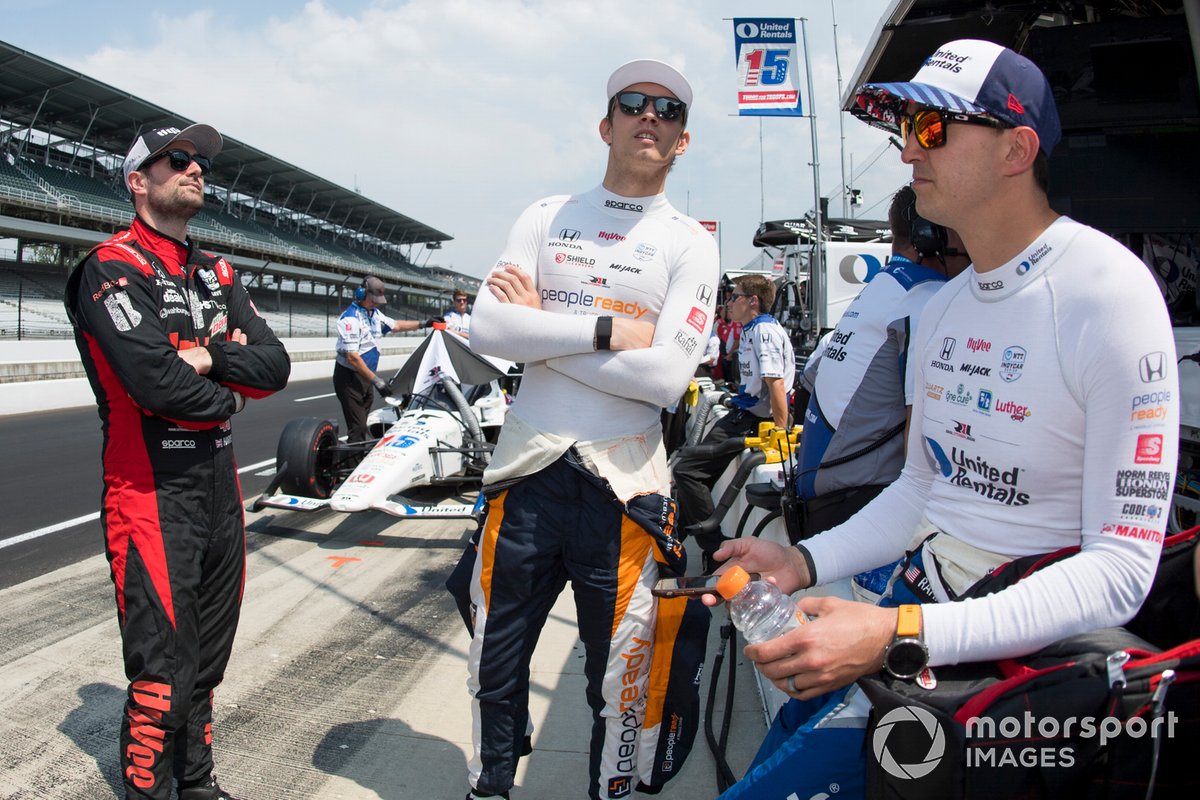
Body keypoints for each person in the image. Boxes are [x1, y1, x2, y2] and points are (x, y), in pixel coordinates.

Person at [708, 39, 1179, 797]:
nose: (905, 152)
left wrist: (896, 634)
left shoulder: (1108, 293)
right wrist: (802, 563)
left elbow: (1121, 572)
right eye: (904, 129)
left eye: (930, 129)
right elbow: (924, 490)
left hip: (1004, 676)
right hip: (909, 627)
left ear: (1016, 149)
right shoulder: (946, 306)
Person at [463, 58, 719, 800]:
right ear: (606, 125)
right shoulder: (546, 216)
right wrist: (610, 330)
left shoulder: (690, 242)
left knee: (623, 679)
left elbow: (665, 380)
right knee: (494, 661)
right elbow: (488, 327)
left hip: (627, 490)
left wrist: (539, 330)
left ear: (682, 139)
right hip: (525, 478)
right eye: (634, 104)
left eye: (667, 111)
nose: (651, 116)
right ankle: (489, 789)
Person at [63, 123, 291, 800]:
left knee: (208, 662)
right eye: (179, 160)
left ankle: (197, 784)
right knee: (165, 668)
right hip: (149, 494)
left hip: (219, 489)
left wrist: (211, 356)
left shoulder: (217, 272)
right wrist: (229, 389)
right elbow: (158, 386)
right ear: (139, 180)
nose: (197, 170)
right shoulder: (111, 267)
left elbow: (274, 365)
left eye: (201, 163)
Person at [796, 186, 970, 602]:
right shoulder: (928, 298)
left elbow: (812, 375)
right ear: (935, 236)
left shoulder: (878, 288)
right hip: (864, 504)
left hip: (823, 491)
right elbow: (919, 445)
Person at [673, 273, 795, 569]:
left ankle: (716, 550)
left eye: (734, 296)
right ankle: (682, 536)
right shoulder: (755, 328)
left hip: (750, 421)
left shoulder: (763, 331)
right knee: (694, 472)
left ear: (752, 301)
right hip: (743, 415)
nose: (729, 302)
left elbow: (776, 383)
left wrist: (780, 431)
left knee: (688, 471)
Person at [333, 276, 435, 443]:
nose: (376, 303)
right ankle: (353, 464)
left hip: (366, 377)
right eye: (373, 299)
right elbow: (352, 357)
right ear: (361, 294)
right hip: (349, 378)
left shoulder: (375, 314)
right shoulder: (350, 319)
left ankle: (357, 456)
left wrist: (424, 323)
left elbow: (396, 325)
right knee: (357, 427)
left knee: (362, 424)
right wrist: (377, 381)